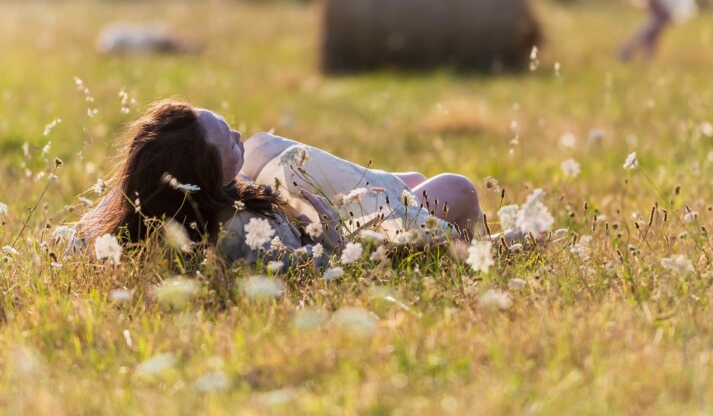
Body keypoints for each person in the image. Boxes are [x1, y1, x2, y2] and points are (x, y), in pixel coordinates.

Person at [75, 99, 487, 265]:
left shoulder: (141, 198)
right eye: (225, 141)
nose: (235, 134)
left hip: (291, 201)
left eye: (227, 126)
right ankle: (482, 254)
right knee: (456, 188)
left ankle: (471, 239)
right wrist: (326, 232)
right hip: (339, 232)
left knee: (259, 146)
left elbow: (73, 236)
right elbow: (317, 266)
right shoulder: (239, 235)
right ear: (202, 175)